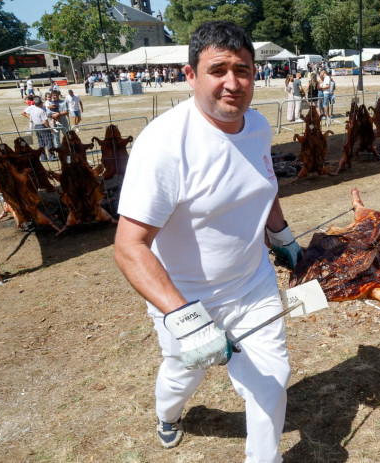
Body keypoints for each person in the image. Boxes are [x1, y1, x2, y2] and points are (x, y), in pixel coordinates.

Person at [114, 21, 301, 457]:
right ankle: (169, 414)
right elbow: (129, 247)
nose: (232, 83)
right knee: (183, 374)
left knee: (271, 384)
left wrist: (283, 236)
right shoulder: (163, 145)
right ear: (190, 75)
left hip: (252, 285)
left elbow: (263, 184)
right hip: (184, 298)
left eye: (243, 70)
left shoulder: (256, 126)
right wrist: (185, 318)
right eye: (218, 70)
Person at [22, 97, 57, 161]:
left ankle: (43, 157)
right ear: (41, 104)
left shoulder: (32, 110)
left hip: (36, 127)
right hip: (43, 127)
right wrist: (50, 129)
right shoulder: (41, 111)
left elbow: (31, 120)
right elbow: (45, 122)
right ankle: (52, 156)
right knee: (49, 142)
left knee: (41, 143)